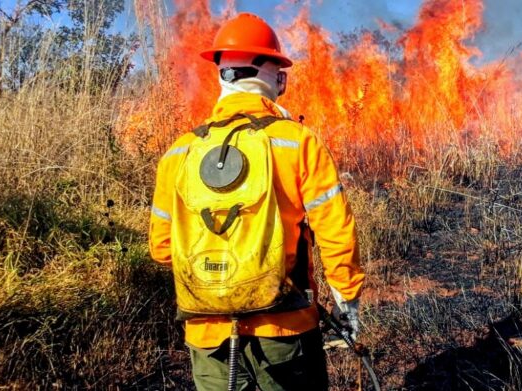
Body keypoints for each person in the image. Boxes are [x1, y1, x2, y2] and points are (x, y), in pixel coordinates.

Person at [148, 12, 364, 391]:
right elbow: (335, 232)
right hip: (283, 328)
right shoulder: (297, 142)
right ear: (268, 73)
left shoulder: (179, 152)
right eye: (280, 68)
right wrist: (346, 299)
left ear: (222, 74)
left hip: (207, 332)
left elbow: (162, 249)